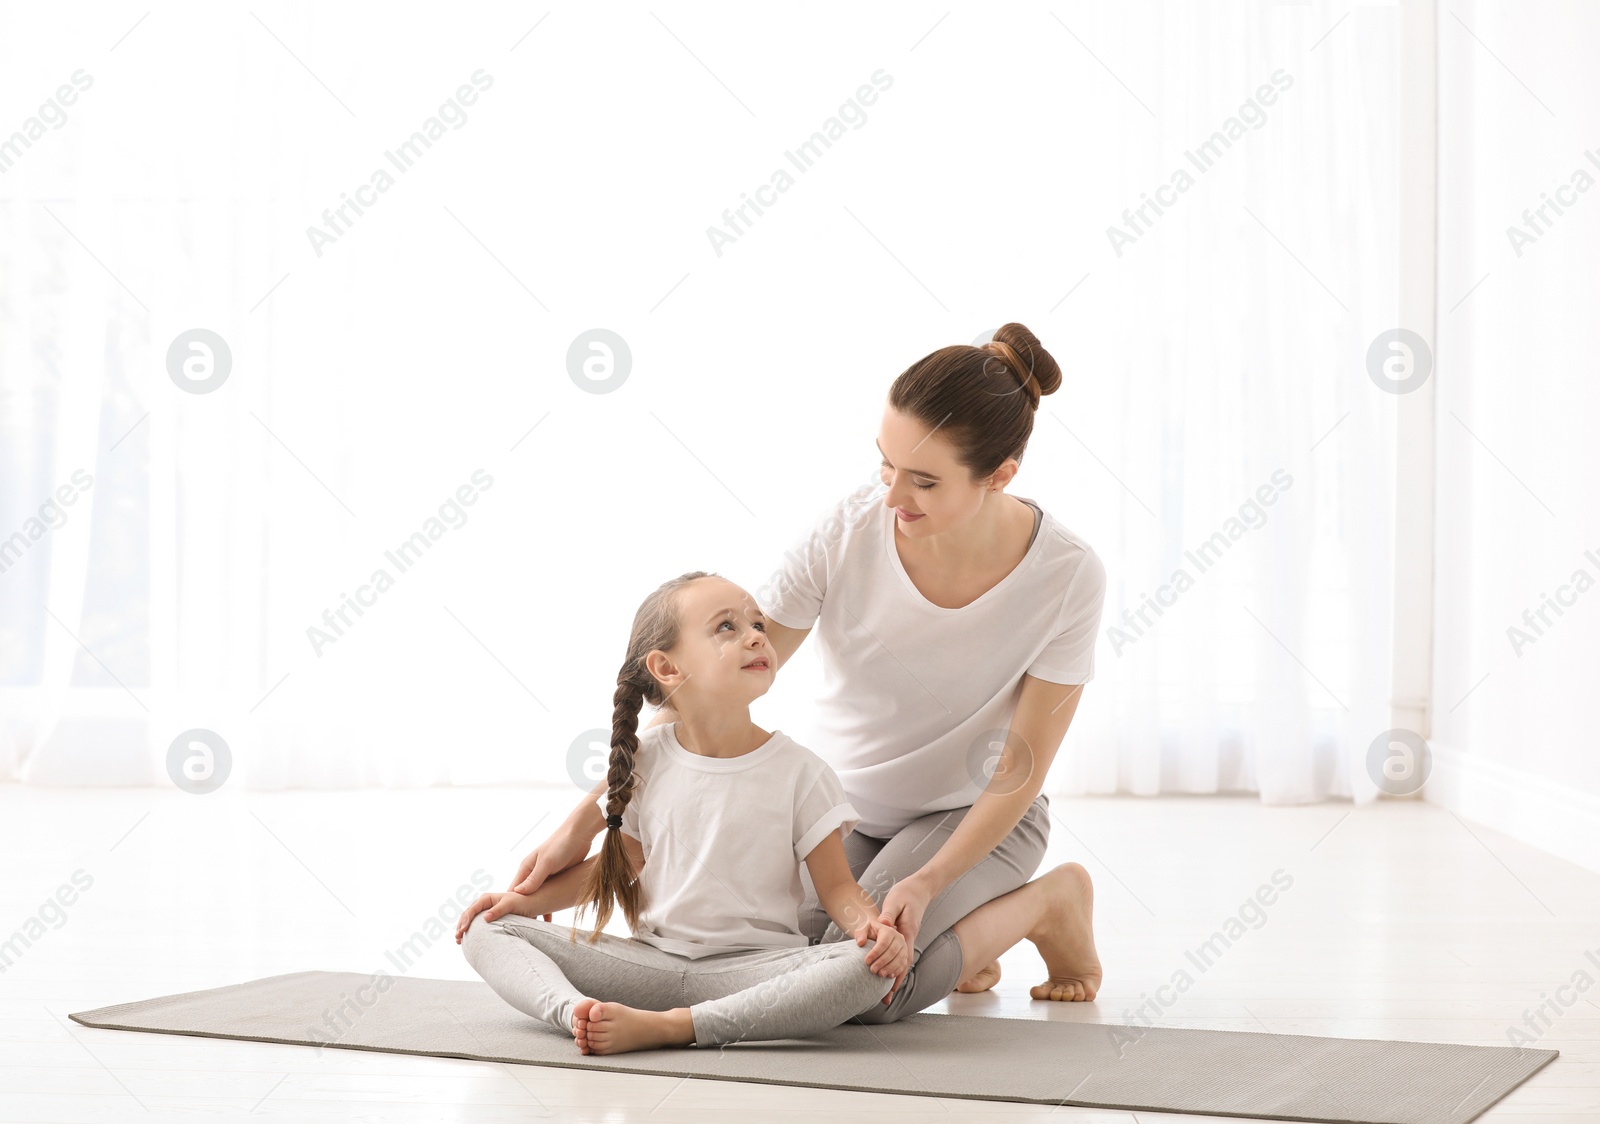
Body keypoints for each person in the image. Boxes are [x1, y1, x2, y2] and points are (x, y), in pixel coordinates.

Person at [509, 323, 1106, 1017]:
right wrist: (589, 820)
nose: (891, 497)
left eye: (923, 481)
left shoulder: (1067, 575)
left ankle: (1046, 905)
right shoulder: (847, 532)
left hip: (974, 815)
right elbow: (710, 684)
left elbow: (1021, 768)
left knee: (865, 991)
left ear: (1000, 475)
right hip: (847, 819)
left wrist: (931, 878)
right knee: (783, 962)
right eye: (885, 464)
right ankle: (966, 936)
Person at [458, 571, 1097, 1055]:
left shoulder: (801, 773)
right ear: (666, 667)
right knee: (485, 929)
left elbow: (839, 893)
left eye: (756, 622)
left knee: (864, 973)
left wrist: (872, 931)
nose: (756, 635)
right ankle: (574, 1015)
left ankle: (675, 1031)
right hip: (650, 965)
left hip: (759, 971)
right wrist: (516, 903)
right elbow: (618, 866)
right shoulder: (646, 758)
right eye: (726, 627)